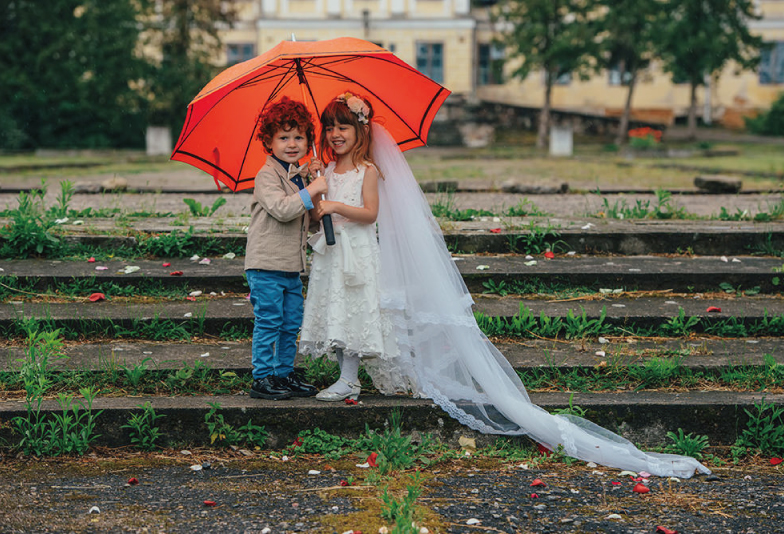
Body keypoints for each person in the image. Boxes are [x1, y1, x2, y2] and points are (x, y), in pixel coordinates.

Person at [300, 91, 711, 479]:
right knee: (336, 310)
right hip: (332, 254)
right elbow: (318, 215)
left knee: (355, 311)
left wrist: (334, 203)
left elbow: (370, 213)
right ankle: (346, 372)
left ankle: (350, 378)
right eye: (330, 128)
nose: (336, 135)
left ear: (361, 130)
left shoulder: (368, 170)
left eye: (344, 127)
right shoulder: (326, 170)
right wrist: (315, 190)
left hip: (359, 255)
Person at [245, 96, 327, 400]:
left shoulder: (296, 176)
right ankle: (262, 377)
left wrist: (311, 183)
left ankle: (283, 373)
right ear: (269, 141)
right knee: (269, 321)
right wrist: (312, 189)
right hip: (266, 265)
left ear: (308, 141)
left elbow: (309, 220)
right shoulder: (266, 175)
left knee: (291, 321)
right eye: (283, 137)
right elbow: (281, 208)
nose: (291, 143)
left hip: (291, 266)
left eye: (298, 137)